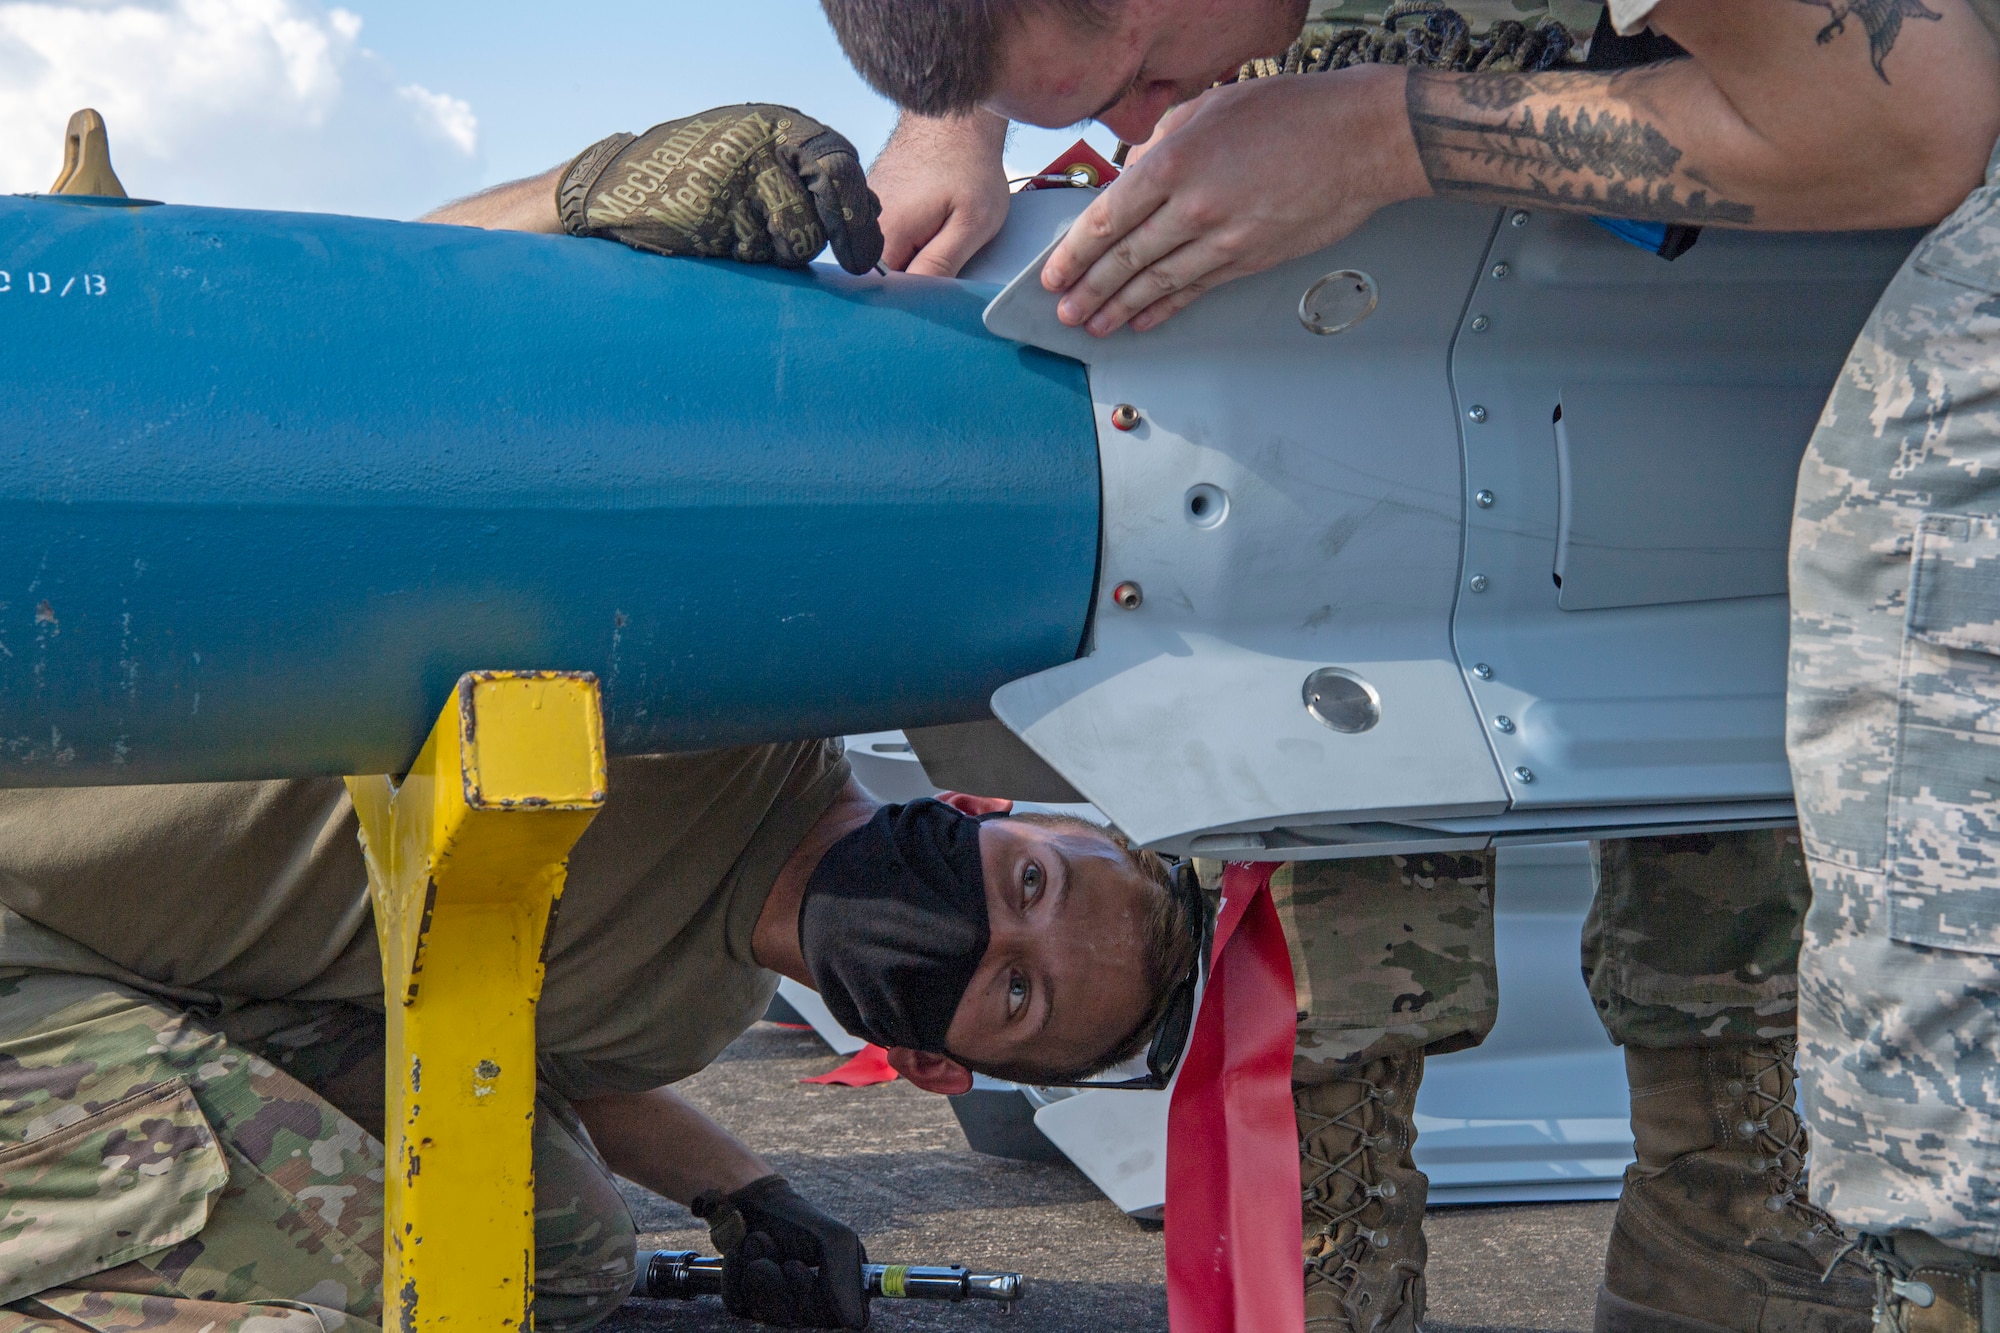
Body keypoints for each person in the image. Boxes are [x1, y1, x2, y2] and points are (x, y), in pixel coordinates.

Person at [814, 3, 2000, 1332]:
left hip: (1721, 303)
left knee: (1739, 1000)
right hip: (1302, 363)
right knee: (1317, 1044)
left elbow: (1906, 123)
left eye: (1142, 77)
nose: (1141, 129)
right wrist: (947, 123)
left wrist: (1377, 135)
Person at [0, 106, 1202, 1333]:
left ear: (935, 1066)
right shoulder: (740, 694)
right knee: (377, 1283)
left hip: (118, 966)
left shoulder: (693, 1014)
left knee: (564, 1262)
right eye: (1033, 885)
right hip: (18, 896)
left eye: (1012, 994)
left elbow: (546, 1055)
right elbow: (363, 355)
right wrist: (584, 197)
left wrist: (746, 1191)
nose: (989, 923)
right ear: (988, 813)